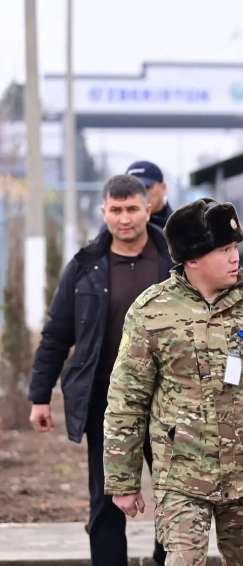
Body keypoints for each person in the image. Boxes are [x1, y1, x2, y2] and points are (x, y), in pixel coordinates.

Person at [102, 197, 243, 566]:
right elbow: (127, 400)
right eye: (223, 250)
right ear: (192, 259)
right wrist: (122, 481)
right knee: (182, 560)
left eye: (235, 247)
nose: (235, 257)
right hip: (181, 474)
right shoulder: (151, 311)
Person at [28, 174, 173, 566]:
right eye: (116, 210)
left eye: (132, 209)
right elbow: (57, 333)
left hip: (169, 398)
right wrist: (40, 396)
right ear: (103, 212)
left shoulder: (174, 261)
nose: (124, 218)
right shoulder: (85, 267)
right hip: (105, 401)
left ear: (148, 209)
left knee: (174, 495)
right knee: (107, 498)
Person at [126, 160, 173, 229]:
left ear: (163, 188)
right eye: (132, 189)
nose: (138, 195)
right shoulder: (115, 229)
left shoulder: (181, 228)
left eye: (145, 188)